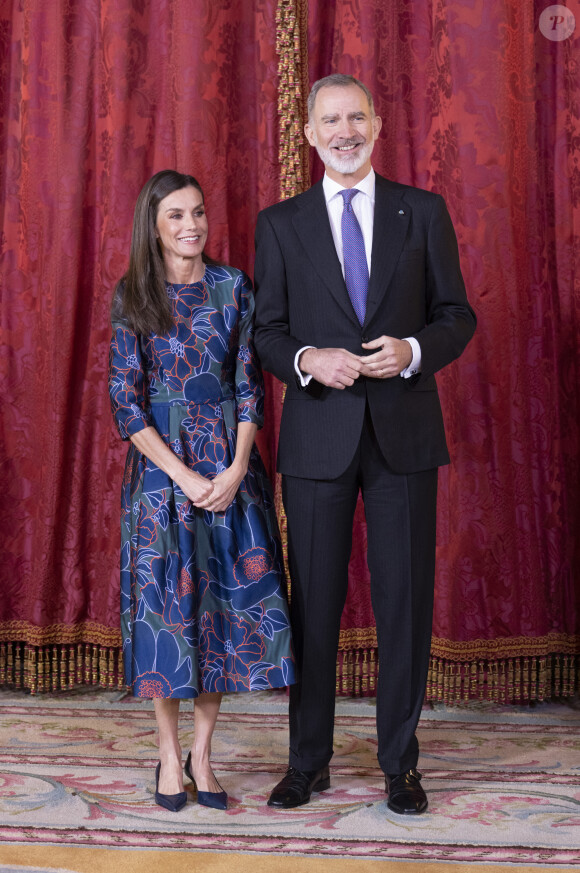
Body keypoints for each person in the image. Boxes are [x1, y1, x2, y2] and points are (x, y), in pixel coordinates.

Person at [253, 74, 476, 815]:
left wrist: (412, 349)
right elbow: (267, 331)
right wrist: (308, 361)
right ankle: (307, 761)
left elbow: (457, 315)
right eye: (329, 120)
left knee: (404, 601)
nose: (344, 131)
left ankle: (400, 764)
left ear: (376, 125)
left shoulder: (425, 211)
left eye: (356, 117)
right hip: (318, 436)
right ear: (310, 134)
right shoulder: (280, 223)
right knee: (313, 603)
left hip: (404, 435)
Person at [108, 169, 295, 813]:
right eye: (176, 217)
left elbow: (249, 387)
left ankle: (204, 756)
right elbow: (124, 403)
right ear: (153, 228)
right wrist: (180, 475)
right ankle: (166, 755)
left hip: (227, 468)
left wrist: (239, 467)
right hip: (163, 476)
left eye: (199, 213)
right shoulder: (134, 294)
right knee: (168, 616)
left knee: (217, 612)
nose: (192, 227)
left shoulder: (231, 286)